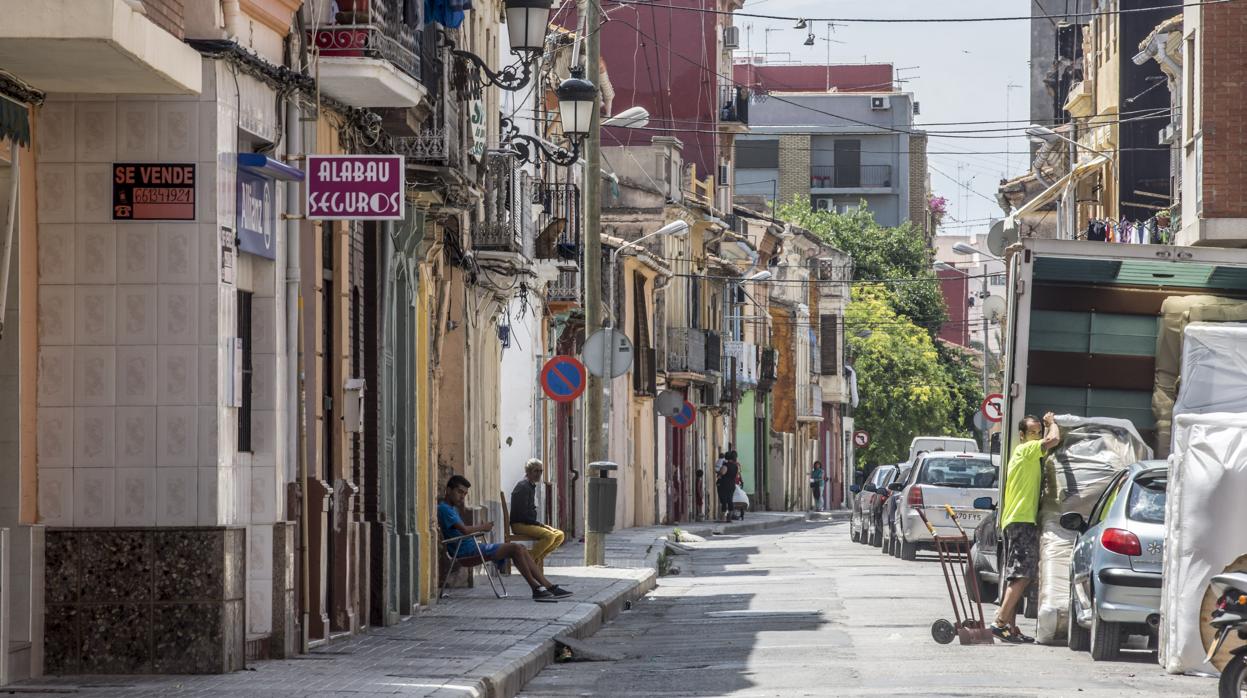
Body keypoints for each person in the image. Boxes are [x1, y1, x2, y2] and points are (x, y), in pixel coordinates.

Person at [438, 474, 572, 601]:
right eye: (459, 492)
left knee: (521, 548)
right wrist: (483, 527)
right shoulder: (444, 509)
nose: (462, 497)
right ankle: (536, 588)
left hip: (474, 547)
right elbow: (465, 530)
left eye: (465, 494)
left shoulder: (451, 509)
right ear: (448, 490)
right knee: (515, 549)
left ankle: (547, 586)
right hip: (465, 552)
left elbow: (463, 531)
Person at [992, 412, 1060, 643]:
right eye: (1033, 432)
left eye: (1039, 432)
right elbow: (1054, 441)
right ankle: (1000, 622)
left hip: (1015, 520)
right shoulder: (1026, 451)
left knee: (1015, 576)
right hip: (1021, 521)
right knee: (1023, 575)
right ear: (1021, 435)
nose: (1038, 436)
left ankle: (1010, 627)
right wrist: (1052, 424)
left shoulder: (1025, 455)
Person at [509, 459, 565, 565]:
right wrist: (541, 525)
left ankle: (536, 557)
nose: (539, 474)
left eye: (541, 471)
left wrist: (541, 525)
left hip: (528, 523)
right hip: (520, 525)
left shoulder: (530, 486)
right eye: (536, 471)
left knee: (559, 535)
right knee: (550, 536)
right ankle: (529, 559)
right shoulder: (523, 487)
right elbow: (522, 515)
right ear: (528, 472)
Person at [716, 450, 740, 523]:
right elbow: (736, 475)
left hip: (724, 484)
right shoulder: (735, 466)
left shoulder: (726, 465)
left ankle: (723, 517)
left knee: (723, 500)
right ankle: (729, 516)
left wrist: (719, 471)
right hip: (732, 484)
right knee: (730, 500)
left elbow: (723, 472)